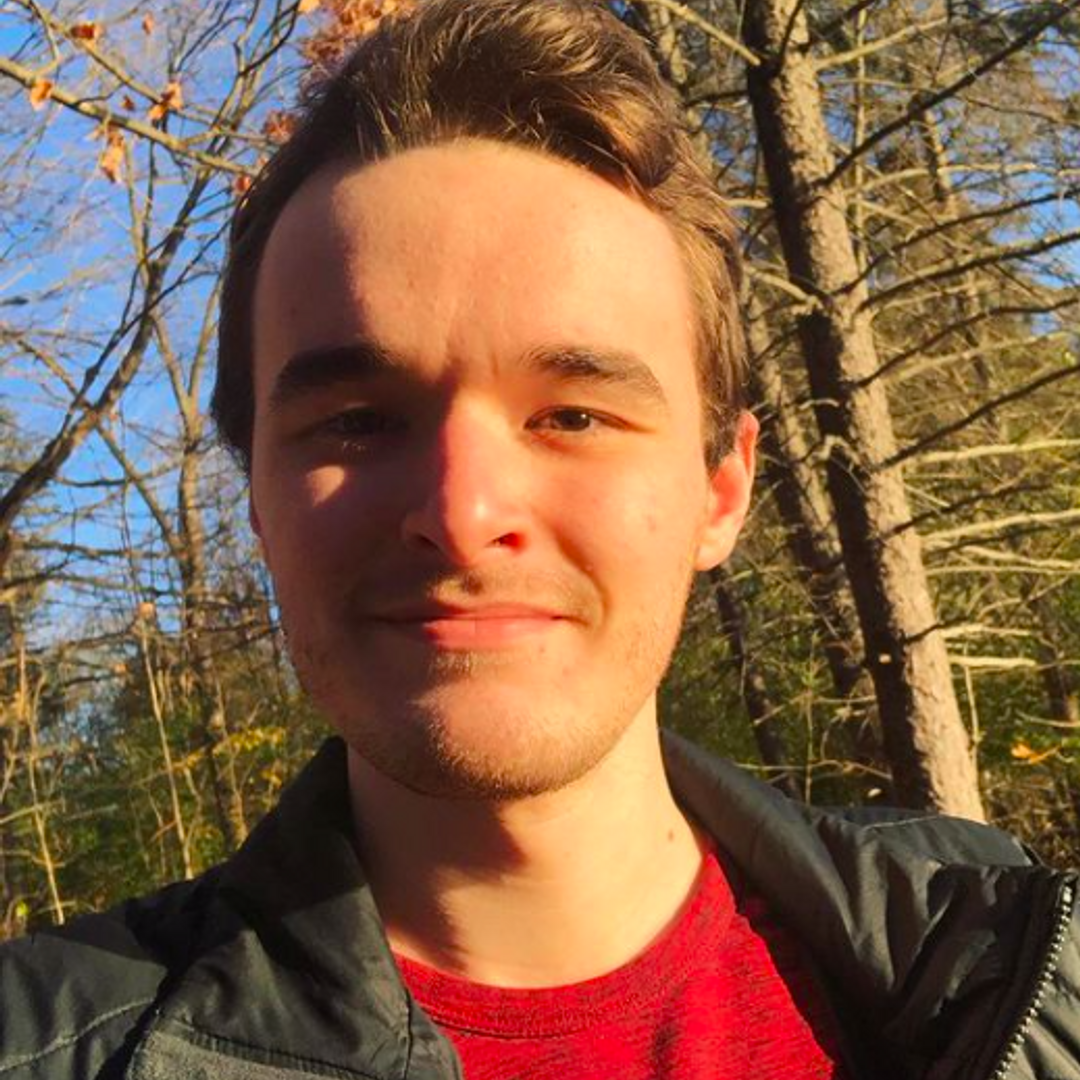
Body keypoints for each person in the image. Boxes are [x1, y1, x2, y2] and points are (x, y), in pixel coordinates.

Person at [2, 1, 1078, 1077]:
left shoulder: (1016, 970)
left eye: (573, 415)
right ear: (258, 503)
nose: (463, 515)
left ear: (721, 489)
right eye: (357, 423)